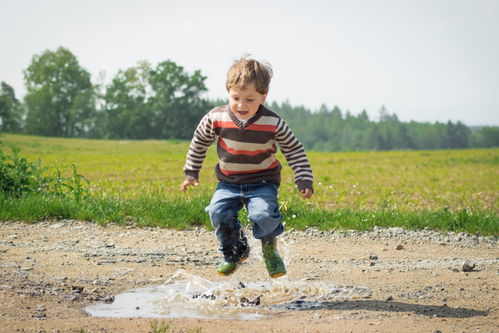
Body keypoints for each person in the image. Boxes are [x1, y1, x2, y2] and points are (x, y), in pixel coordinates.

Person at [180, 55, 314, 278]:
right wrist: (191, 172)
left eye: (250, 99)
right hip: (228, 182)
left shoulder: (273, 122)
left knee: (263, 215)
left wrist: (303, 179)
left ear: (264, 96)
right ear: (228, 92)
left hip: (263, 182)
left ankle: (270, 250)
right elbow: (199, 142)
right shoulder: (216, 117)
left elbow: (294, 150)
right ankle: (235, 252)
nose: (242, 105)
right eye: (236, 97)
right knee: (217, 212)